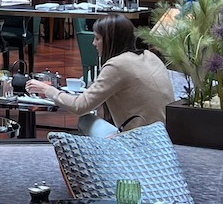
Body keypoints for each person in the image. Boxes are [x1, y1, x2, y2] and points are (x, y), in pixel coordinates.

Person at [26, 14, 173, 132]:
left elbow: (80, 106)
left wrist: (48, 90)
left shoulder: (117, 65)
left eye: (97, 38)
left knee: (85, 120)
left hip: (141, 141)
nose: (93, 43)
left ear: (110, 40)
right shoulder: (149, 56)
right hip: (164, 137)